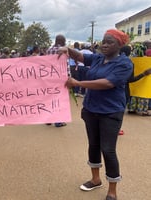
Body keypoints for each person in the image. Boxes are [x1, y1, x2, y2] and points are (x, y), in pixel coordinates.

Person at [64, 29, 133, 200]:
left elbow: (108, 83)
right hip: (91, 109)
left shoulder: (124, 64)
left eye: (110, 42)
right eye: (104, 41)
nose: (105, 45)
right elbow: (80, 57)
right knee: (93, 145)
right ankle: (95, 179)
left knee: (108, 149)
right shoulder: (98, 58)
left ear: (120, 45)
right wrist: (66, 49)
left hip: (110, 111)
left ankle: (112, 190)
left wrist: (79, 82)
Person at [46, 34, 67, 127]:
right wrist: (68, 77)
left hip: (49, 77)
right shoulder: (64, 51)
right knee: (59, 99)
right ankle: (58, 121)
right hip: (59, 78)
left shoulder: (48, 50)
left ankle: (48, 119)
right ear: (62, 41)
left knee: (49, 98)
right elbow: (65, 65)